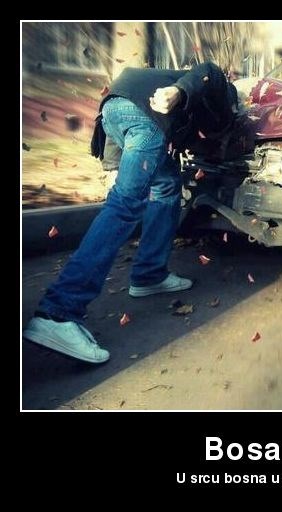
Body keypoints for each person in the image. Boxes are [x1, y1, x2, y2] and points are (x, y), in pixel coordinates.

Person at [23, 62, 240, 364]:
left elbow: (124, 96)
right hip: (146, 119)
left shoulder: (164, 79)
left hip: (114, 108)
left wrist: (113, 164)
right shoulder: (224, 98)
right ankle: (58, 312)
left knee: (166, 184)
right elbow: (210, 71)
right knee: (124, 204)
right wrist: (178, 92)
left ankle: (149, 274)